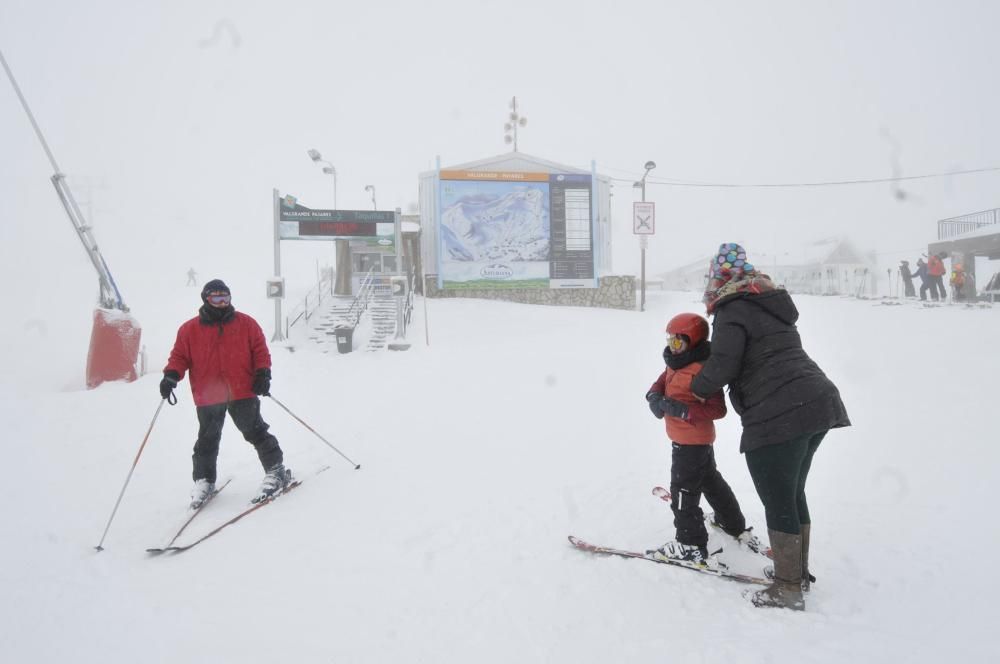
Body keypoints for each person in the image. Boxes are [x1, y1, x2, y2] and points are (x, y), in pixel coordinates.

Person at [690, 243, 851, 611]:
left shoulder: (733, 309)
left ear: (719, 279)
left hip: (780, 412)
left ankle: (788, 589)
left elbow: (723, 366)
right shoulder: (768, 302)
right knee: (792, 494)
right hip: (816, 401)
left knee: (779, 498)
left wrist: (694, 389)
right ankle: (796, 574)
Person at [159, 279, 292, 507]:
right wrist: (171, 375)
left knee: (255, 431)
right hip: (208, 394)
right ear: (206, 299)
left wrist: (263, 374)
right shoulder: (189, 329)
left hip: (242, 390)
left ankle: (276, 470)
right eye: (216, 298)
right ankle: (204, 480)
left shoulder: (246, 324)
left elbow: (260, 351)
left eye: (225, 298)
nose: (221, 303)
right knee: (207, 439)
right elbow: (179, 356)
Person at [644, 313, 761, 567]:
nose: (672, 346)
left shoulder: (702, 370)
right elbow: (663, 379)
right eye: (670, 340)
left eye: (678, 341)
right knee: (711, 482)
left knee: (683, 491)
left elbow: (718, 409)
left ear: (693, 341)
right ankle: (732, 524)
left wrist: (683, 410)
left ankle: (690, 544)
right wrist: (654, 395)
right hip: (690, 442)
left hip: (691, 443)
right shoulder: (676, 362)